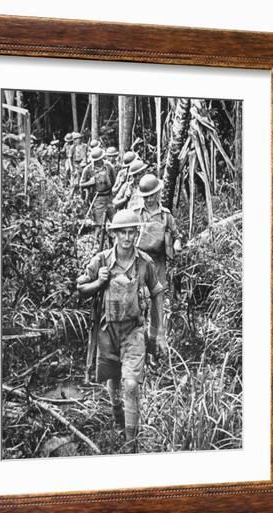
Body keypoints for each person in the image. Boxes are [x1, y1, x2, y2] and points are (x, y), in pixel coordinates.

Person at [77, 209, 166, 452]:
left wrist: (158, 334)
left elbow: (157, 293)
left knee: (131, 384)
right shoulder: (102, 261)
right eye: (122, 233)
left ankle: (131, 444)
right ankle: (118, 419)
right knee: (113, 378)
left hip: (133, 331)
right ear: (114, 234)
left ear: (137, 233)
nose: (127, 238)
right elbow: (80, 288)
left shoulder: (144, 263)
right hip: (107, 331)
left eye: (131, 232)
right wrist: (99, 282)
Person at [133, 174, 182, 350]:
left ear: (159, 194)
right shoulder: (136, 214)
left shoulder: (165, 215)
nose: (150, 199)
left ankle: (157, 339)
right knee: (138, 299)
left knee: (158, 299)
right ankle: (138, 340)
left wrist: (176, 245)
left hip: (158, 262)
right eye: (146, 196)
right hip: (140, 262)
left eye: (153, 195)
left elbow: (177, 235)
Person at [79, 147, 116, 237]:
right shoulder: (88, 169)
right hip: (97, 199)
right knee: (98, 226)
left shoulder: (109, 167)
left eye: (99, 160)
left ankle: (113, 243)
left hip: (109, 197)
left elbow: (114, 180)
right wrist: (90, 182)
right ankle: (97, 244)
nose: (97, 162)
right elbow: (81, 184)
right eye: (95, 160)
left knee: (115, 222)